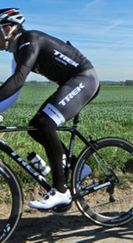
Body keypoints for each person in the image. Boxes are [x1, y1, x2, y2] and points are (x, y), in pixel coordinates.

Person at [0, 8, 100, 210]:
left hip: (84, 79)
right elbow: (13, 93)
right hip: (71, 82)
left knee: (45, 122)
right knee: (37, 126)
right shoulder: (18, 52)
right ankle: (76, 167)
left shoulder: (29, 39)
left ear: (8, 29)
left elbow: (18, 80)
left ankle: (61, 191)